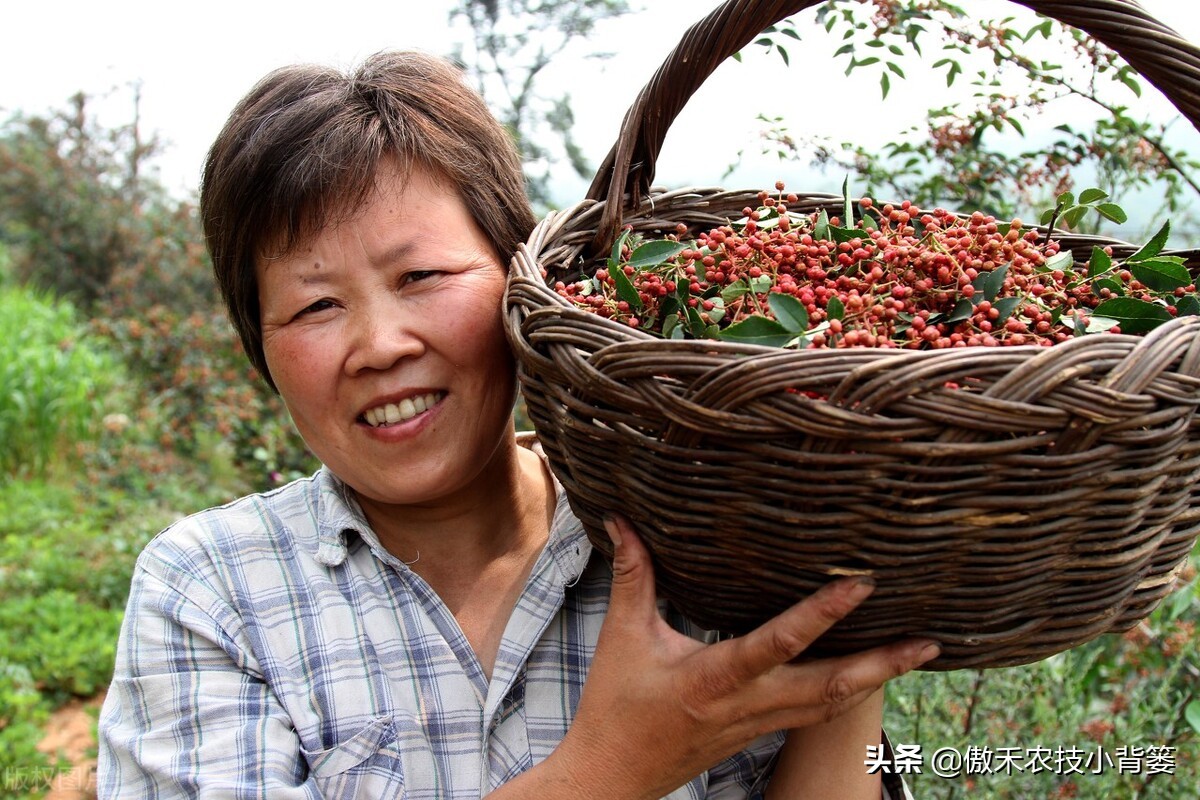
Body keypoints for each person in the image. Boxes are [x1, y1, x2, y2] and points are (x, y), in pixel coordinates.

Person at [97, 50, 939, 799]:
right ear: (262, 347)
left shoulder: (700, 536)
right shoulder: (212, 593)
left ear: (521, 278)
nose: (381, 346)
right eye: (316, 305)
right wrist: (616, 767)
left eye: (421, 274)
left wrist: (847, 608)